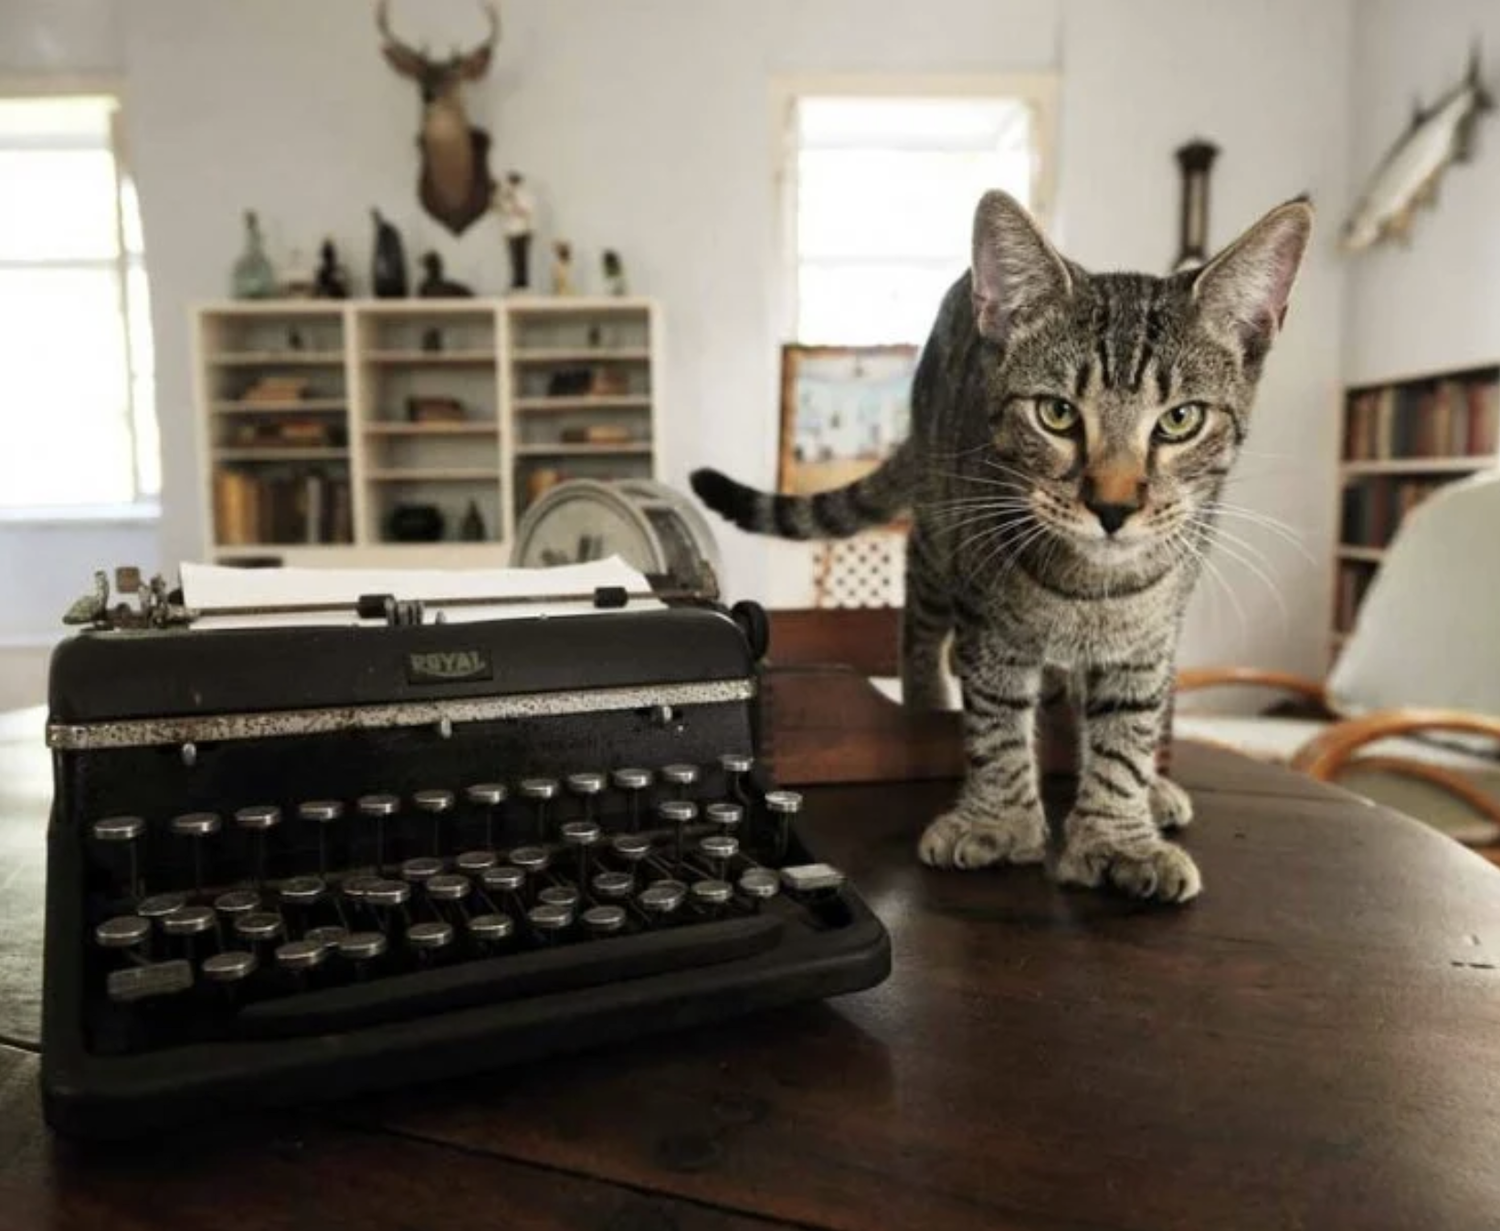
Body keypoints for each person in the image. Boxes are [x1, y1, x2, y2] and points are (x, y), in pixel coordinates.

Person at [494, 171, 535, 290]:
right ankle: (516, 281)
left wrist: (514, 200)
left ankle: (523, 282)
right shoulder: (505, 196)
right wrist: (500, 196)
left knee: (522, 258)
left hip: (523, 229)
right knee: (513, 258)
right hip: (510, 230)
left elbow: (525, 212)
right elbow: (499, 209)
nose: (511, 185)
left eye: (513, 182)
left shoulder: (526, 195)